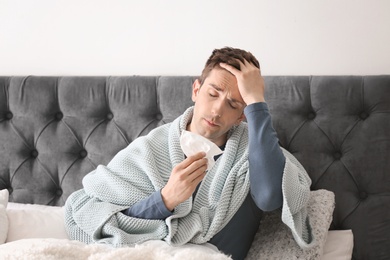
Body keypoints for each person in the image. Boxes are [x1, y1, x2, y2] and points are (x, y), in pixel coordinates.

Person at [64, 47, 314, 260]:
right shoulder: (151, 148)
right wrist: (165, 200)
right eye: (213, 94)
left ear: (242, 116)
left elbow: (270, 197)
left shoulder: (255, 153)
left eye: (233, 104)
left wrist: (257, 103)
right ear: (196, 90)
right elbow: (101, 216)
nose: (216, 110)